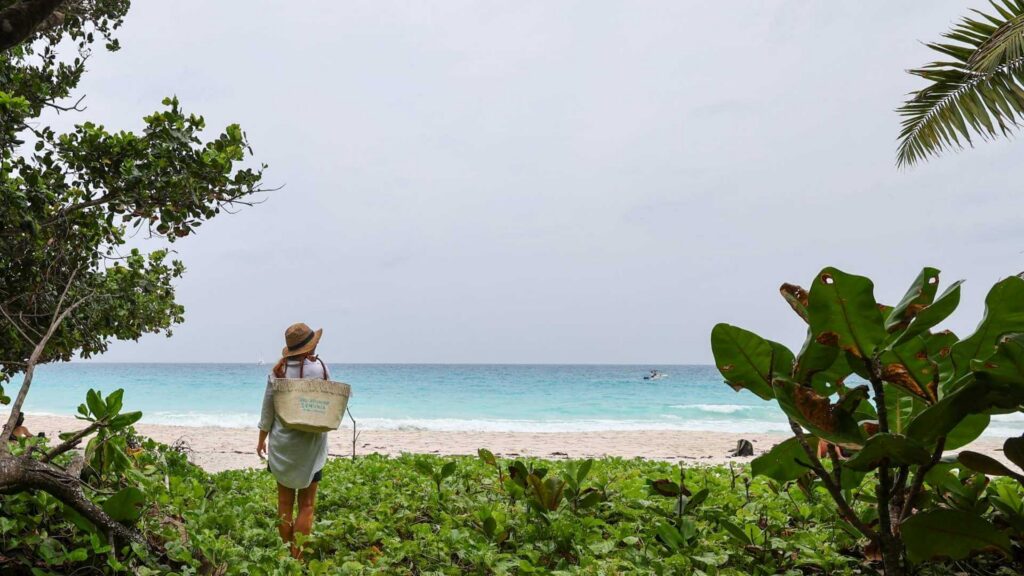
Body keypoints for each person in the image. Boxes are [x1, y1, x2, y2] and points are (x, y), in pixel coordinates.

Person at [257, 322, 329, 559]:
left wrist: (261, 441)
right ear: (309, 348)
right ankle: (298, 558)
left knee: (284, 504)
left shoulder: (277, 372)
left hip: (282, 446)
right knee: (307, 505)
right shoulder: (320, 370)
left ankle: (288, 557)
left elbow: (267, 412)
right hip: (311, 445)